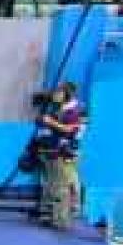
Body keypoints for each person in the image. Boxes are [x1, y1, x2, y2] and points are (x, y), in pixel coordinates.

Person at [38, 82, 85, 231]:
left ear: (67, 94)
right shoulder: (58, 108)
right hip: (51, 151)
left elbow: (69, 130)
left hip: (65, 152)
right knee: (51, 184)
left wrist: (50, 122)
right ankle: (49, 215)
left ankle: (62, 219)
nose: (55, 95)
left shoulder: (76, 110)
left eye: (58, 92)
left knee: (63, 187)